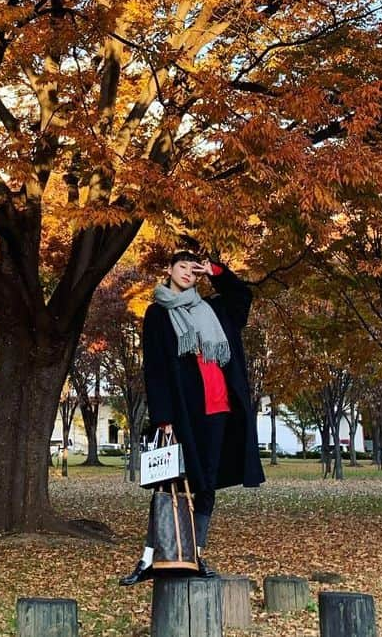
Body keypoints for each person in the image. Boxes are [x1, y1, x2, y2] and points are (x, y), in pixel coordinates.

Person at [119, 248, 263, 585]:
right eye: (181, 266)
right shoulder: (157, 313)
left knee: (207, 484)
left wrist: (215, 270)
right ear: (169, 270)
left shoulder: (214, 308)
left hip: (220, 408)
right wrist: (163, 417)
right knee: (168, 484)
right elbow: (154, 369)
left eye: (192, 269)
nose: (187, 273)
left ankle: (194, 555)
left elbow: (242, 295)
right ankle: (148, 559)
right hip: (184, 412)